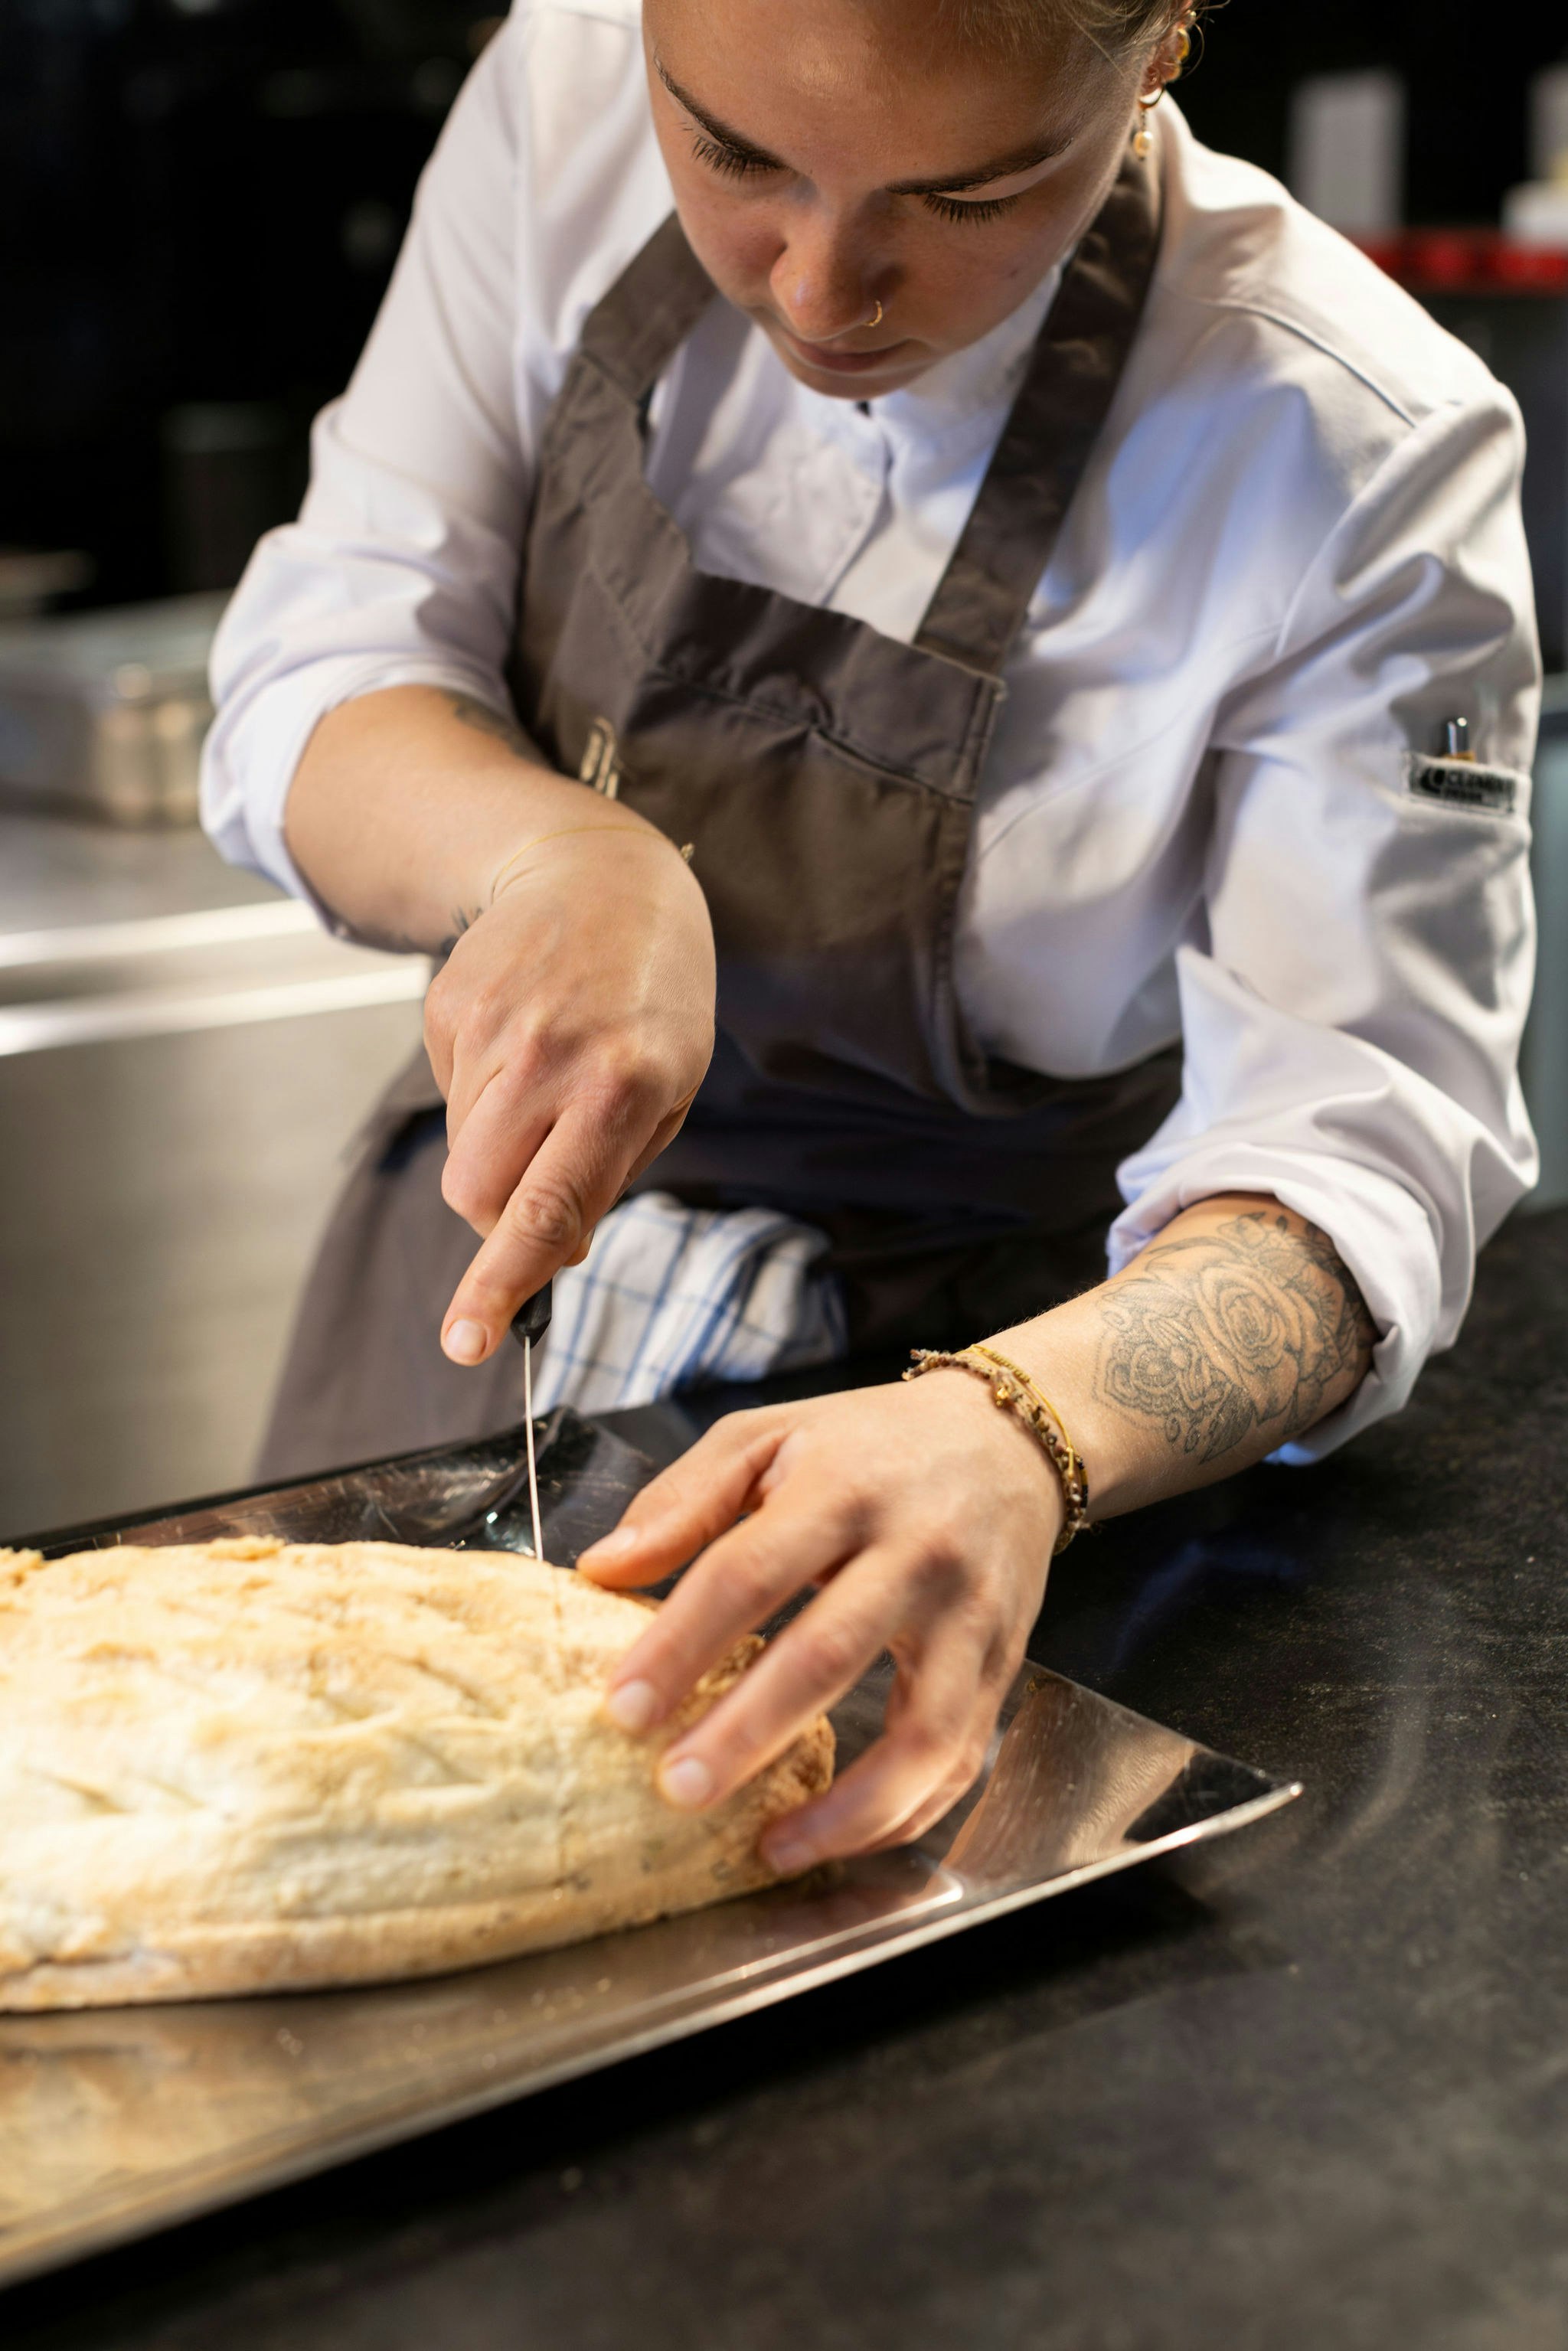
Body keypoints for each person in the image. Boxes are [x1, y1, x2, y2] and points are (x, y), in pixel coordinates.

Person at [203, 0, 1538, 1875]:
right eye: (734, 155)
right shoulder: (565, 87)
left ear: (1158, 42)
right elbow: (323, 659)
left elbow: (1358, 1164)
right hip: (481, 1330)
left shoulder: (1344, 443)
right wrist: (555, 860)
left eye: (971, 190)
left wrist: (1017, 1432)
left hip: (994, 1457)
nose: (824, 287)